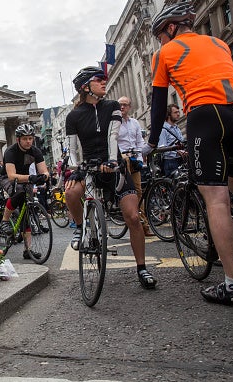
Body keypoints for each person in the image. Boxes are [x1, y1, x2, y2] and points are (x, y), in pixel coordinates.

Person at [147, 2, 233, 305]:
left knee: (216, 199)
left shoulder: (165, 53)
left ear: (170, 29)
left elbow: (158, 104)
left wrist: (152, 142)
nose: (159, 41)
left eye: (159, 35)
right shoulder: (219, 42)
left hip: (208, 116)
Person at [64, 66, 156, 289]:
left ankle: (142, 268)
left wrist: (113, 161)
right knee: (70, 192)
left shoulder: (112, 106)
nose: (104, 82)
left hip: (113, 163)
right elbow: (72, 148)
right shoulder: (74, 116)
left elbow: (113, 136)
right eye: (99, 79)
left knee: (133, 217)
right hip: (89, 165)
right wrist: (76, 168)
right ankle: (79, 227)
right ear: (86, 87)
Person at [0, 123, 49, 260]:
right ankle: (5, 219)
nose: (28, 141)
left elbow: (44, 170)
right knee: (19, 192)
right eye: (25, 138)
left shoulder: (35, 151)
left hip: (26, 179)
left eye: (30, 138)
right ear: (18, 139)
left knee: (27, 215)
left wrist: (44, 176)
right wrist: (31, 177)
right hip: (9, 178)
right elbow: (11, 176)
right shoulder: (10, 151)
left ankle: (28, 250)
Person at [117, 96, 154, 237]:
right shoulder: (114, 123)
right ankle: (128, 215)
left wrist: (139, 158)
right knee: (126, 192)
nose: (122, 107)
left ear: (129, 107)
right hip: (122, 161)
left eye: (125, 105)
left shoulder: (135, 123)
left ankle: (144, 225)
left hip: (134, 160)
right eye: (120, 104)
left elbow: (140, 142)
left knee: (138, 191)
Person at [157, 104, 186, 177]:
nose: (178, 114)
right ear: (169, 115)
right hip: (170, 162)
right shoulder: (163, 130)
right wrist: (176, 152)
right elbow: (162, 148)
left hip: (181, 160)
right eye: (175, 112)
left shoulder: (177, 128)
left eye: (178, 112)